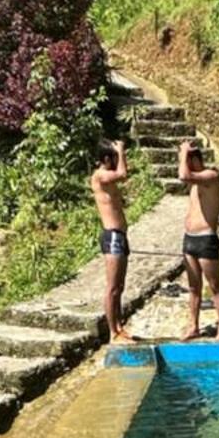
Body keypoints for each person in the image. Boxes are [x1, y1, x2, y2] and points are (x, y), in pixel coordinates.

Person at [178, 137, 219, 341]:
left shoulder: (210, 176)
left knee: (214, 286)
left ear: (196, 160)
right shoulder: (195, 182)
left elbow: (182, 175)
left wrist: (183, 152)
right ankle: (193, 326)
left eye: (188, 160)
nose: (185, 165)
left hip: (206, 239)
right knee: (193, 287)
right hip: (189, 239)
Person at [89, 137, 133, 343]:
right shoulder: (100, 176)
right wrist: (121, 150)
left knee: (120, 287)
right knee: (112, 287)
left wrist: (120, 153)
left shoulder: (107, 175)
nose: (117, 161)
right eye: (114, 158)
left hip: (120, 235)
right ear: (106, 159)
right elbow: (123, 174)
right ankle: (112, 332)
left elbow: (123, 173)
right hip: (112, 236)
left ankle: (119, 326)